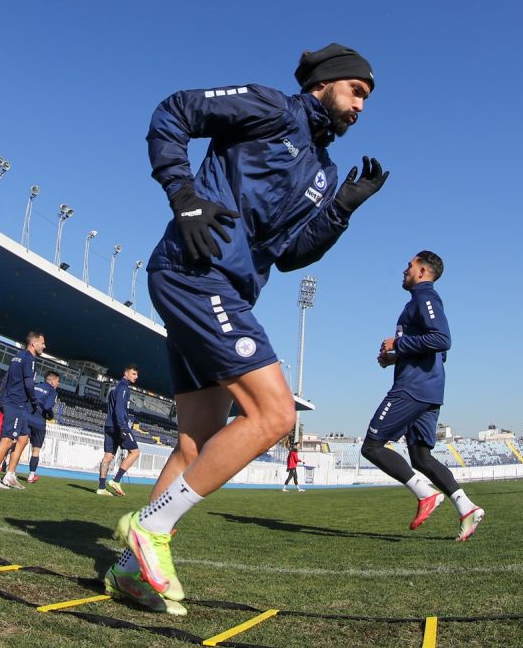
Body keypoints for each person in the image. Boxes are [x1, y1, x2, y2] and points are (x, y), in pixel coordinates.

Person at [103, 43, 389, 616]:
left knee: (199, 440)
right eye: (357, 90)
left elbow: (288, 253)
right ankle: (150, 528)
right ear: (326, 84)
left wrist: (343, 208)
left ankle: (132, 569)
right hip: (194, 273)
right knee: (276, 415)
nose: (361, 105)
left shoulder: (324, 170)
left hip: (228, 290)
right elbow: (174, 111)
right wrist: (183, 196)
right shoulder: (271, 107)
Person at [362, 251, 484, 541]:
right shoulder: (418, 302)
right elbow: (436, 350)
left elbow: (443, 340)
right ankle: (467, 507)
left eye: (409, 266)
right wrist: (395, 357)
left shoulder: (425, 297)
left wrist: (400, 343)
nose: (404, 270)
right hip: (429, 389)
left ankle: (425, 494)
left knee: (372, 446)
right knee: (420, 457)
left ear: (423, 271)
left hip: (414, 388)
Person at [0, 331, 46, 489]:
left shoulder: (17, 356)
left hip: (14, 402)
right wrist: (34, 401)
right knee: (8, 439)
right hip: (16, 403)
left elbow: (6, 379)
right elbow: (29, 383)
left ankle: (10, 474)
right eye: (42, 343)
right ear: (33, 343)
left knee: (24, 438)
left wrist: (0, 401)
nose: (44, 346)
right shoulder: (29, 359)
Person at [98, 365, 140, 496]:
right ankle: (116, 480)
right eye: (133, 374)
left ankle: (101, 488)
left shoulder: (114, 387)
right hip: (118, 426)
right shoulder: (123, 387)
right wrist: (122, 427)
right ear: (126, 373)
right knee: (135, 452)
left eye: (136, 374)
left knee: (108, 456)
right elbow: (119, 409)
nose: (136, 377)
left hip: (109, 425)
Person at [24, 370, 60, 483]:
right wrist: (51, 416)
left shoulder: (35, 386)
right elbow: (48, 407)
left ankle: (10, 472)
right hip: (39, 423)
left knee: (20, 443)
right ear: (52, 381)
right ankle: (31, 475)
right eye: (58, 381)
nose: (58, 384)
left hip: (26, 417)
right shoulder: (52, 392)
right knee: (36, 450)